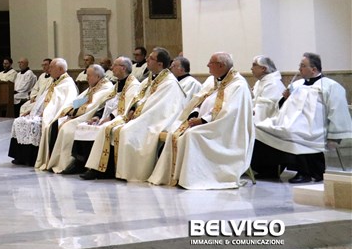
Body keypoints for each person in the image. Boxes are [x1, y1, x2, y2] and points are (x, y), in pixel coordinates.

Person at [149, 52, 253, 189]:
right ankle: (175, 176)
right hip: (205, 123)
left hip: (224, 131)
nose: (207, 65)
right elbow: (199, 99)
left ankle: (192, 177)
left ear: (221, 65)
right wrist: (194, 114)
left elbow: (230, 113)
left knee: (191, 135)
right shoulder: (214, 81)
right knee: (175, 130)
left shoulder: (238, 85)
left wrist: (203, 121)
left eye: (211, 63)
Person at [82, 47, 184, 181]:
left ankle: (126, 172)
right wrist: (131, 110)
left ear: (160, 64)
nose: (147, 60)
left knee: (124, 131)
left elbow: (158, 106)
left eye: (151, 58)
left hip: (154, 119)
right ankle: (99, 169)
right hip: (140, 115)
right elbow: (138, 99)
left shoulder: (169, 83)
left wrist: (134, 114)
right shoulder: (150, 80)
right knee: (106, 128)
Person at [252, 52, 352, 183]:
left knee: (292, 133)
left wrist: (334, 137)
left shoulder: (331, 86)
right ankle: (269, 170)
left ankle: (304, 172)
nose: (299, 69)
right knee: (259, 128)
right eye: (300, 65)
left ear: (313, 69)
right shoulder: (297, 85)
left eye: (303, 66)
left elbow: (337, 111)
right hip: (293, 122)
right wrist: (285, 98)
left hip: (316, 128)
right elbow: (283, 107)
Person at [37, 64, 114, 173]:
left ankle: (67, 163)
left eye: (89, 75)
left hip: (90, 116)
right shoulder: (95, 86)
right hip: (82, 114)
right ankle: (55, 161)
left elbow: (92, 104)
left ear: (97, 76)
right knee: (55, 124)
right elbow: (81, 99)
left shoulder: (106, 87)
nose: (87, 78)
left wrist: (74, 112)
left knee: (66, 129)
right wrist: (70, 109)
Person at [71, 57, 141, 171]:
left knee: (103, 129)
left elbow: (127, 107)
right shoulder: (117, 84)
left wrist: (110, 117)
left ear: (123, 68)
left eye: (115, 65)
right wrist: (97, 116)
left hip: (119, 118)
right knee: (83, 126)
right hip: (107, 117)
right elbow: (105, 103)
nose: (112, 68)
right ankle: (81, 162)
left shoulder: (133, 85)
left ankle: (98, 169)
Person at [8, 58, 78, 166]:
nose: (49, 69)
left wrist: (44, 113)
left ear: (60, 69)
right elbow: (42, 99)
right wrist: (32, 110)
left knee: (32, 123)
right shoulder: (56, 81)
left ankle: (31, 158)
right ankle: (21, 156)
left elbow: (63, 105)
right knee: (19, 121)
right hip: (42, 112)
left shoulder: (67, 84)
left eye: (52, 67)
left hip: (53, 116)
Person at [250, 55, 286, 124]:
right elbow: (253, 101)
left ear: (263, 68)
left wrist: (248, 112)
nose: (251, 68)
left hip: (269, 123)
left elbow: (264, 110)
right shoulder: (260, 82)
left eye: (254, 65)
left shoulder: (273, 84)